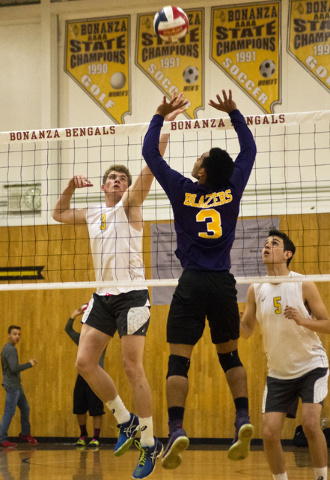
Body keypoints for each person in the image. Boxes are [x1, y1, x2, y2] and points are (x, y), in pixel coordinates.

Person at [53, 104, 184, 480]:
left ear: (126, 187)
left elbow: (151, 164)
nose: (115, 181)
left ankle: (149, 444)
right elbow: (58, 214)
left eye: (120, 179)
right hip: (103, 296)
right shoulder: (94, 212)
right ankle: (125, 421)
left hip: (132, 296)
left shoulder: (131, 207)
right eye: (110, 177)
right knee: (84, 363)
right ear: (103, 182)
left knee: (131, 367)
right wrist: (70, 186)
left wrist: (162, 125)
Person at [142, 90, 257, 469]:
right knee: (230, 356)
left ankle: (176, 429)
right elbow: (249, 151)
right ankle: (242, 418)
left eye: (200, 158)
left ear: (203, 171)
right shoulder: (231, 188)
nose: (196, 159)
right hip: (223, 283)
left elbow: (151, 155)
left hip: (191, 283)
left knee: (179, 361)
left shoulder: (182, 189)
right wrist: (236, 113)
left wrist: (160, 115)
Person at [240, 229, 330, 480]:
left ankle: (321, 477)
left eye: (274, 243)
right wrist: (228, 318)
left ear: (287, 254)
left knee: (311, 424)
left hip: (312, 364)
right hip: (278, 372)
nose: (267, 246)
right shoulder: (255, 288)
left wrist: (303, 320)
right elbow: (246, 330)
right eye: (265, 244)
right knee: (269, 433)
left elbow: (327, 323)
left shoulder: (302, 283)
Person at [65, 305, 106, 448]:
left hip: (96, 376)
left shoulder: (102, 338)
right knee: (79, 407)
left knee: (96, 409)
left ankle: (95, 438)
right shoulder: (81, 339)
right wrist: (73, 315)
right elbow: (68, 330)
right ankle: (83, 435)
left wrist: (98, 313)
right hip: (82, 376)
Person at [0, 325, 38, 448]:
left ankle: (25, 433)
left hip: (16, 385)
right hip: (12, 387)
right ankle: (2, 438)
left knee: (25, 408)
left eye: (19, 334)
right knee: (9, 412)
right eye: (14, 334)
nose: (17, 336)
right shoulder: (10, 349)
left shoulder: (9, 348)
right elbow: (14, 368)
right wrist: (29, 364)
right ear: (8, 335)